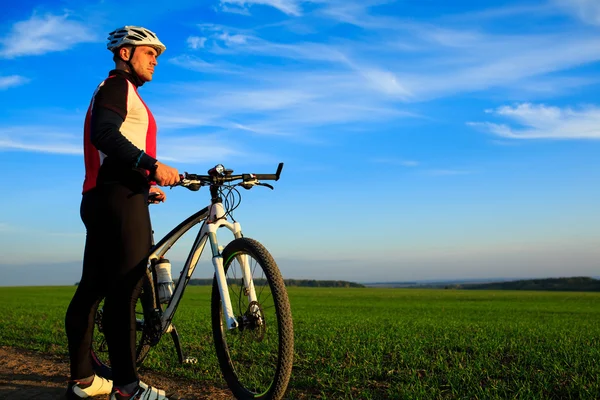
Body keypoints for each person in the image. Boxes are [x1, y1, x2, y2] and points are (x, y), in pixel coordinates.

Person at [65, 26, 182, 400]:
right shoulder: (117, 87)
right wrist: (152, 164)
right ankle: (129, 389)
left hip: (107, 196)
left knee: (92, 290)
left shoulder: (118, 90)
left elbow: (112, 151)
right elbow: (104, 135)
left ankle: (83, 381)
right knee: (124, 292)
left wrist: (145, 182)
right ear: (126, 53)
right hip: (116, 201)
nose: (155, 60)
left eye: (158, 56)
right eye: (150, 53)